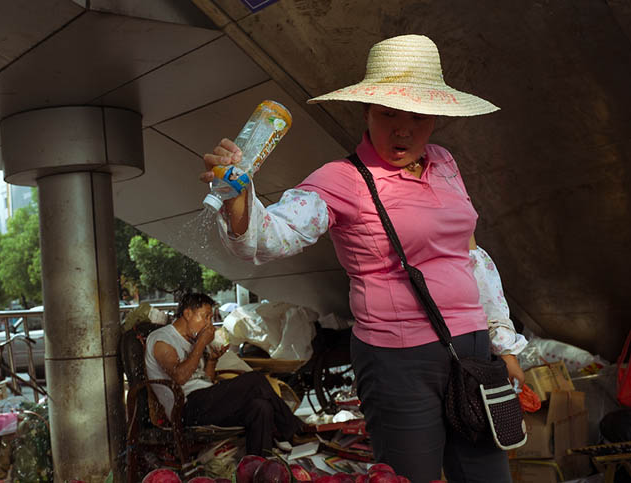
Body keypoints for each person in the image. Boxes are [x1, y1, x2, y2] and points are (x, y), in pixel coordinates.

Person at [200, 35, 527, 482]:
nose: (404, 129)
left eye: (418, 115)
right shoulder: (342, 180)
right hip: (399, 361)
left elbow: (470, 254)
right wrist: (238, 199)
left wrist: (503, 344)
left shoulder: (445, 163)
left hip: (471, 351)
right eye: (389, 113)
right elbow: (273, 235)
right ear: (366, 112)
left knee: (489, 476)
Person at [144, 293, 301, 456]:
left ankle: (257, 466)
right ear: (188, 313)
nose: (208, 323)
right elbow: (180, 377)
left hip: (205, 403)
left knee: (261, 406)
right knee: (255, 380)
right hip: (185, 409)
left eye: (211, 318)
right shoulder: (162, 339)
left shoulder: (192, 340)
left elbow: (205, 381)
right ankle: (294, 431)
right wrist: (201, 344)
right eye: (205, 317)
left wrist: (212, 360)